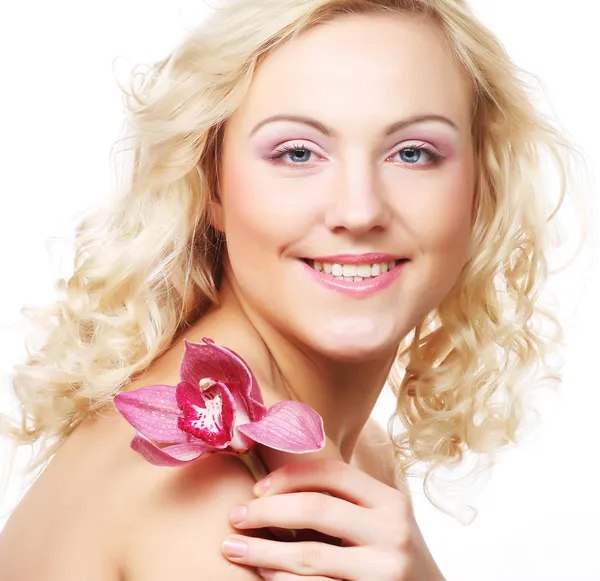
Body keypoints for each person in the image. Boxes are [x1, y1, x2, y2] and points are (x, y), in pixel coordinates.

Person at [0, 0, 585, 579]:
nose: (359, 210)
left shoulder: (352, 459)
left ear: (482, 186)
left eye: (412, 153)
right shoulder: (224, 509)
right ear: (212, 185)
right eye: (298, 153)